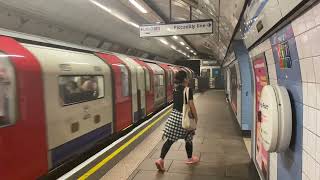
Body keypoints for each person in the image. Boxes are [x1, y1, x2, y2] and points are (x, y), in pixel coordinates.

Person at [155, 70, 199, 171]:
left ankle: (160, 159)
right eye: (187, 78)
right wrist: (196, 118)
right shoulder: (188, 90)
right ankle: (190, 158)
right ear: (184, 79)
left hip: (173, 117)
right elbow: (191, 106)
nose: (188, 79)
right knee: (188, 138)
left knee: (169, 140)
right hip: (184, 118)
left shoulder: (175, 89)